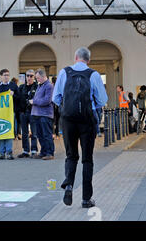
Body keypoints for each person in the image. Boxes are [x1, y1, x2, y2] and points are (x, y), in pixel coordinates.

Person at [53, 47, 108, 209]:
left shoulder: (64, 73)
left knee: (71, 155)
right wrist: (90, 106)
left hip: (68, 120)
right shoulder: (94, 74)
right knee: (87, 159)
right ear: (88, 60)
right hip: (87, 120)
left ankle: (69, 184)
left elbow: (55, 98)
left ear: (75, 57)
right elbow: (102, 100)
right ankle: (86, 199)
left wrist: (67, 108)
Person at [0, 69, 18, 160]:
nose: (6, 77)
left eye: (8, 75)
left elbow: (19, 98)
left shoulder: (13, 85)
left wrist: (13, 95)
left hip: (10, 113)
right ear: (1, 76)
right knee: (1, 131)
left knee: (9, 131)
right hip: (0, 113)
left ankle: (9, 151)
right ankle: (1, 152)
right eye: (5, 75)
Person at [30, 69, 55, 160]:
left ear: (44, 76)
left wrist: (34, 101)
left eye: (38, 78)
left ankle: (50, 153)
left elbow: (47, 100)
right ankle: (43, 152)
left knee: (47, 134)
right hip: (37, 114)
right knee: (40, 135)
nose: (37, 80)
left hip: (45, 114)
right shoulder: (40, 86)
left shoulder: (49, 86)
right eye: (36, 78)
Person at [16, 69, 38, 158]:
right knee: (24, 133)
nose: (29, 77)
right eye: (27, 76)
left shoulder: (37, 87)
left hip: (33, 112)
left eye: (31, 76)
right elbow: (17, 98)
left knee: (34, 133)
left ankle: (34, 150)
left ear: (34, 77)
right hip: (23, 113)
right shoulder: (21, 87)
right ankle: (25, 151)